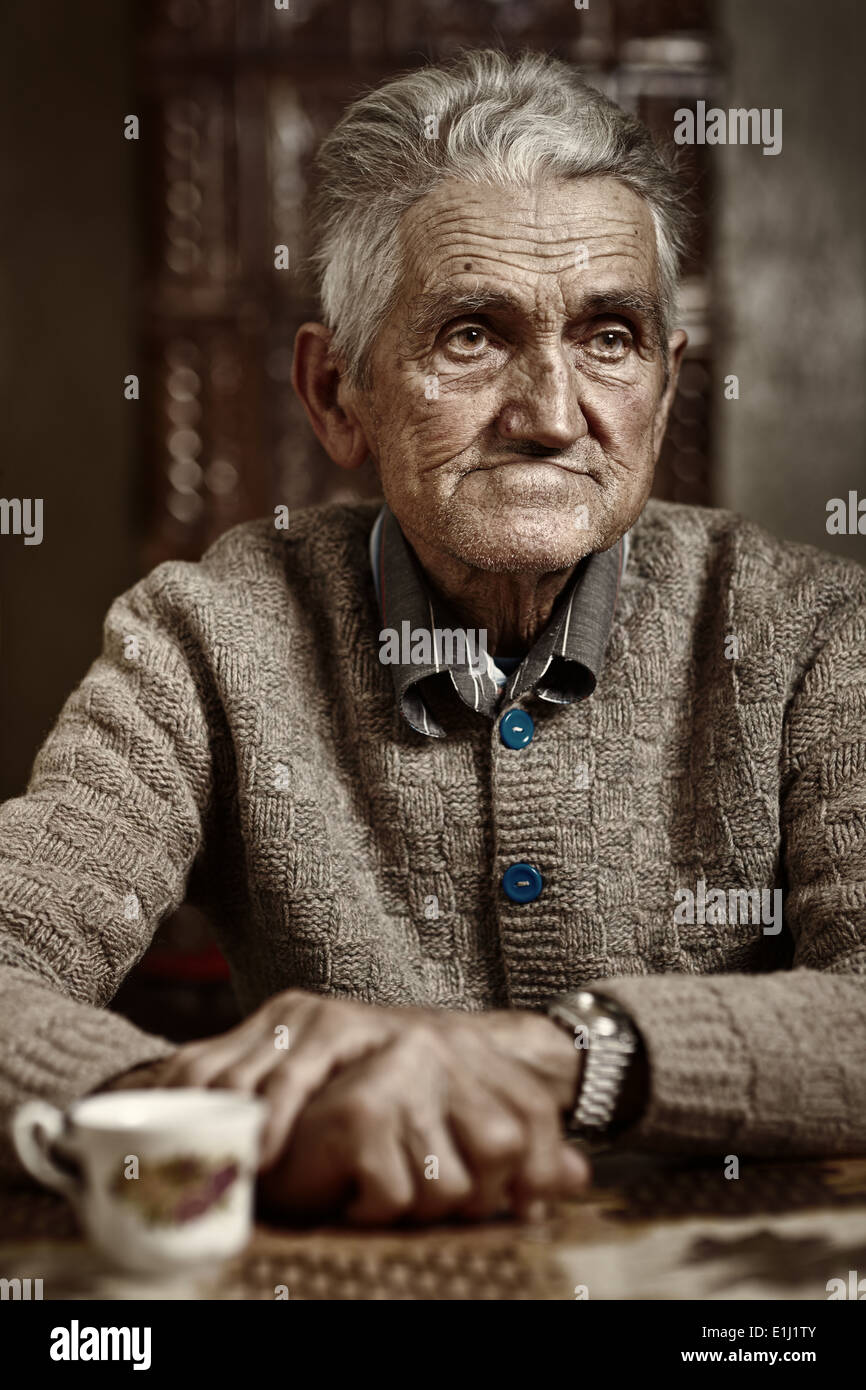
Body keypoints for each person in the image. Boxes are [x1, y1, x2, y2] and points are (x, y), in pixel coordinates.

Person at [1, 49, 863, 1226]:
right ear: (336, 392)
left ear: (664, 386)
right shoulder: (207, 637)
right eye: (471, 334)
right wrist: (191, 1118)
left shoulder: (805, 632)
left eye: (608, 336)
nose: (552, 415)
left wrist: (555, 1057)